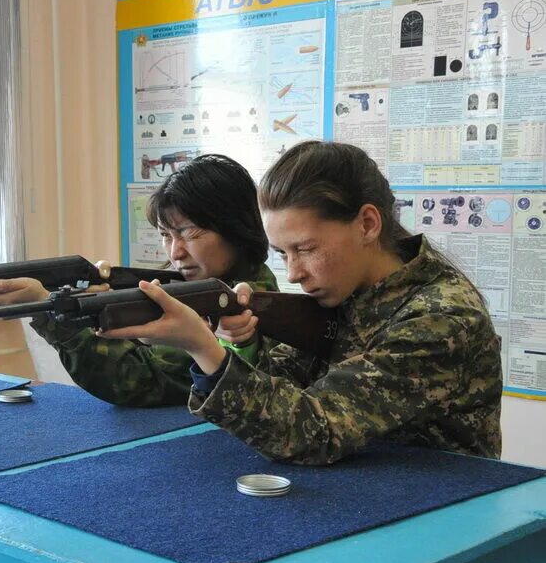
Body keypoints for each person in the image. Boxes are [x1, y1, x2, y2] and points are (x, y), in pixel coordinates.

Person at [99, 141, 502, 464]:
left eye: (306, 249)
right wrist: (241, 343)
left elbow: (312, 431)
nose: (293, 273)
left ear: (367, 224)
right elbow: (277, 392)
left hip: (442, 519)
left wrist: (202, 348)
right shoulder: (343, 291)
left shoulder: (441, 317)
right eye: (282, 254)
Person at [0, 154, 277, 406]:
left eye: (190, 233)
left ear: (237, 232)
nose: (176, 252)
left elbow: (135, 379)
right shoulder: (183, 285)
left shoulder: (250, 305)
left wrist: (45, 309)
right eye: (165, 235)